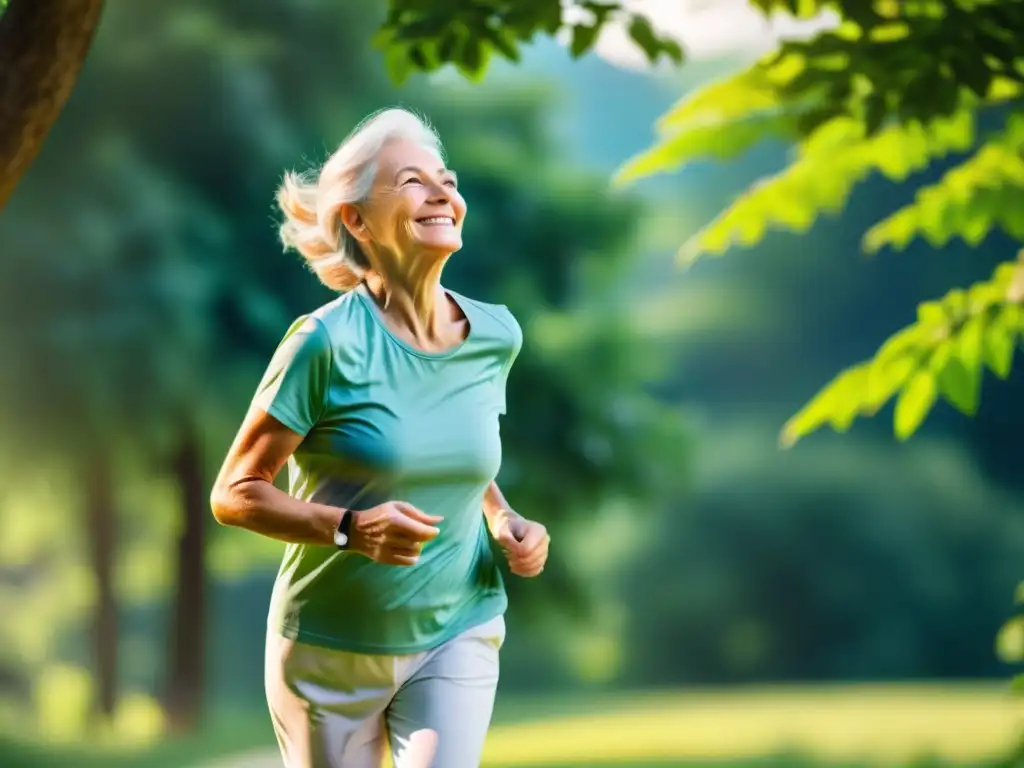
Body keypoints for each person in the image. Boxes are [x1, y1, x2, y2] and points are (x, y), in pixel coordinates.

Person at [210, 107, 550, 768]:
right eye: (412, 181)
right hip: (329, 653)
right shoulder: (325, 343)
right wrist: (349, 527)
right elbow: (234, 493)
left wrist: (505, 517)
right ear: (357, 221)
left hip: (459, 623)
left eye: (446, 180)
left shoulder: (494, 337)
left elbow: (458, 454)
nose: (441, 194)